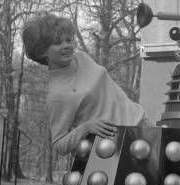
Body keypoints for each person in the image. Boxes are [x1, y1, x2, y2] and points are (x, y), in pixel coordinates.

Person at [22, 13, 148, 156]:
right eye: (58, 43)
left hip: (140, 123)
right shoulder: (57, 94)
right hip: (112, 147)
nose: (67, 46)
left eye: (69, 40)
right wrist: (87, 127)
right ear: (41, 52)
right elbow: (59, 145)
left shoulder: (82, 57)